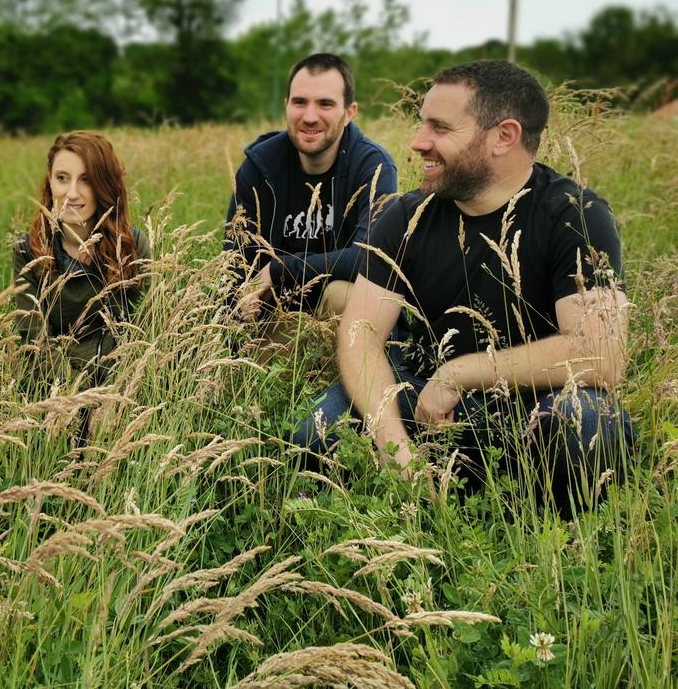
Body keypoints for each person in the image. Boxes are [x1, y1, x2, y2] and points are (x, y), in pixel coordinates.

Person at [290, 60, 634, 516]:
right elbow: (361, 333)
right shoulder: (406, 215)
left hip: (529, 407)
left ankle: (544, 541)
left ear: (503, 136)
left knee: (589, 423)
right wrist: (397, 453)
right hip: (422, 400)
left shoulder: (576, 214)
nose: (418, 143)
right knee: (318, 431)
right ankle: (404, 510)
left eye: (439, 128)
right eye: (421, 124)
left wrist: (461, 373)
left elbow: (601, 353)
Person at [225, 53, 397, 323]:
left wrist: (280, 269)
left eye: (325, 104)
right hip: (273, 319)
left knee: (345, 294)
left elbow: (370, 258)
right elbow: (234, 262)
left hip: (337, 322)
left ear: (349, 112)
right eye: (299, 102)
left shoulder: (373, 167)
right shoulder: (260, 166)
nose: (309, 116)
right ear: (286, 106)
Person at [12, 131, 150, 384]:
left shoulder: (132, 246)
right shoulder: (28, 250)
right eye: (62, 178)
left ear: (104, 186)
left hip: (120, 380)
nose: (72, 193)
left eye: (86, 180)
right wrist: (77, 395)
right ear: (50, 183)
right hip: (53, 384)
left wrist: (112, 394)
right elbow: (34, 341)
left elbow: (144, 332)